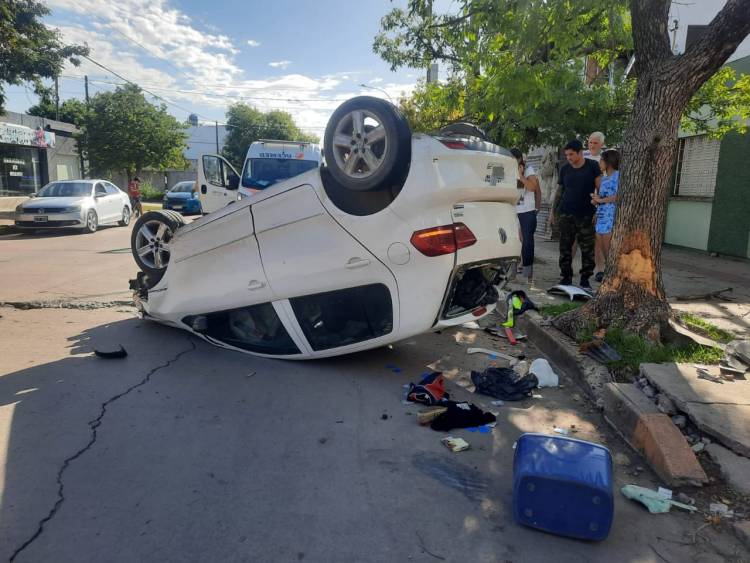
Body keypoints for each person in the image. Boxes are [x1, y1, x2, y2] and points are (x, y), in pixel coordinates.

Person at [552, 139, 602, 289]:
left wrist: (598, 208)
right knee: (565, 247)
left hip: (586, 214)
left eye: (571, 154)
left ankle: (585, 279)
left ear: (580, 152)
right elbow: (559, 192)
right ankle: (566, 277)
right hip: (566, 213)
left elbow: (600, 189)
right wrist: (553, 213)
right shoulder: (565, 169)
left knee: (587, 249)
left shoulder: (592, 166)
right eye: (566, 155)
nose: (569, 158)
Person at [511, 148, 541, 283]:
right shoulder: (505, 168)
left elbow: (533, 187)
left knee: (527, 242)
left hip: (526, 210)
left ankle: (528, 275)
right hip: (511, 209)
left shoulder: (528, 169)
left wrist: (520, 176)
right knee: (512, 241)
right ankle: (511, 274)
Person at [592, 150, 620, 283]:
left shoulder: (618, 176)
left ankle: (613, 271)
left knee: (608, 243)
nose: (599, 163)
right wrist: (596, 200)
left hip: (611, 213)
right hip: (601, 213)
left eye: (602, 160)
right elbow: (602, 196)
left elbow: (619, 195)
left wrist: (602, 200)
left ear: (609, 162)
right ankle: (604, 270)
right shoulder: (603, 179)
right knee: (600, 241)